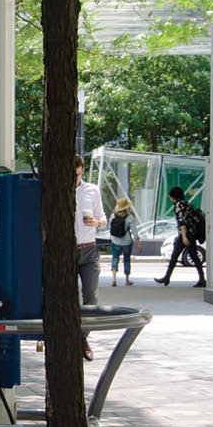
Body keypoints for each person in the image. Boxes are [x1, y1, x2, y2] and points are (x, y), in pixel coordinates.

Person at [75, 155, 105, 361]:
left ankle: (83, 337)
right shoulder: (59, 190)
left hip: (89, 249)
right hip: (67, 250)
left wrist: (97, 222)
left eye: (77, 174)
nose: (74, 178)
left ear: (82, 170)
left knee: (91, 298)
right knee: (68, 298)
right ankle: (71, 336)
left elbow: (103, 219)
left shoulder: (91, 190)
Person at [155, 186, 206, 288]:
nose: (170, 199)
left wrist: (184, 237)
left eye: (170, 197)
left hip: (186, 235)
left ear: (173, 197)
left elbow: (182, 222)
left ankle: (167, 278)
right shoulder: (187, 204)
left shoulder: (178, 206)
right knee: (193, 256)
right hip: (192, 234)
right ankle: (201, 278)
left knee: (176, 256)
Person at [108, 197, 141, 287]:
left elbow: (110, 228)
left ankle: (114, 279)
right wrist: (138, 244)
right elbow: (134, 231)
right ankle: (127, 280)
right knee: (126, 260)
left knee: (115, 258)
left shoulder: (113, 216)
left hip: (115, 241)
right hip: (126, 242)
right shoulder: (130, 217)